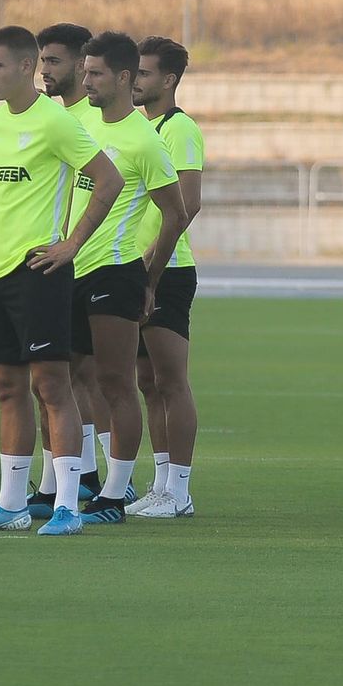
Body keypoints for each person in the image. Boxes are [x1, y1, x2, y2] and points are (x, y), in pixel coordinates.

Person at [0, 25, 122, 536]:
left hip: (41, 271)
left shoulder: (56, 122)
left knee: (52, 386)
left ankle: (67, 505)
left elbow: (108, 180)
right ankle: (11, 504)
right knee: (7, 387)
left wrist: (72, 244)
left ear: (26, 67)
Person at [63, 32, 188, 525]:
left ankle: (114, 495)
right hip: (70, 268)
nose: (86, 81)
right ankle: (67, 484)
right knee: (66, 376)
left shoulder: (144, 140)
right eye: (84, 71)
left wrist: (149, 280)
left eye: (95, 73)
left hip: (115, 271)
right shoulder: (81, 124)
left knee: (116, 382)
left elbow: (177, 213)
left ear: (122, 78)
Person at [29, 21, 111, 508]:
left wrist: (77, 244)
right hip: (57, 265)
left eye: (53, 61)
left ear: (82, 65)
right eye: (42, 60)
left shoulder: (91, 121)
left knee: (83, 377)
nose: (44, 70)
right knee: (53, 379)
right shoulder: (54, 117)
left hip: (93, 262)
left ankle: (101, 479)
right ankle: (65, 480)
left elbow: (116, 187)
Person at [127, 36, 205, 519]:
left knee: (171, 380)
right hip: (134, 268)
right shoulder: (140, 126)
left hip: (167, 269)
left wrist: (152, 267)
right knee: (147, 382)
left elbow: (187, 204)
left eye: (145, 73)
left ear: (169, 79)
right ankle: (159, 485)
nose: (135, 81)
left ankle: (180, 490)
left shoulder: (180, 129)